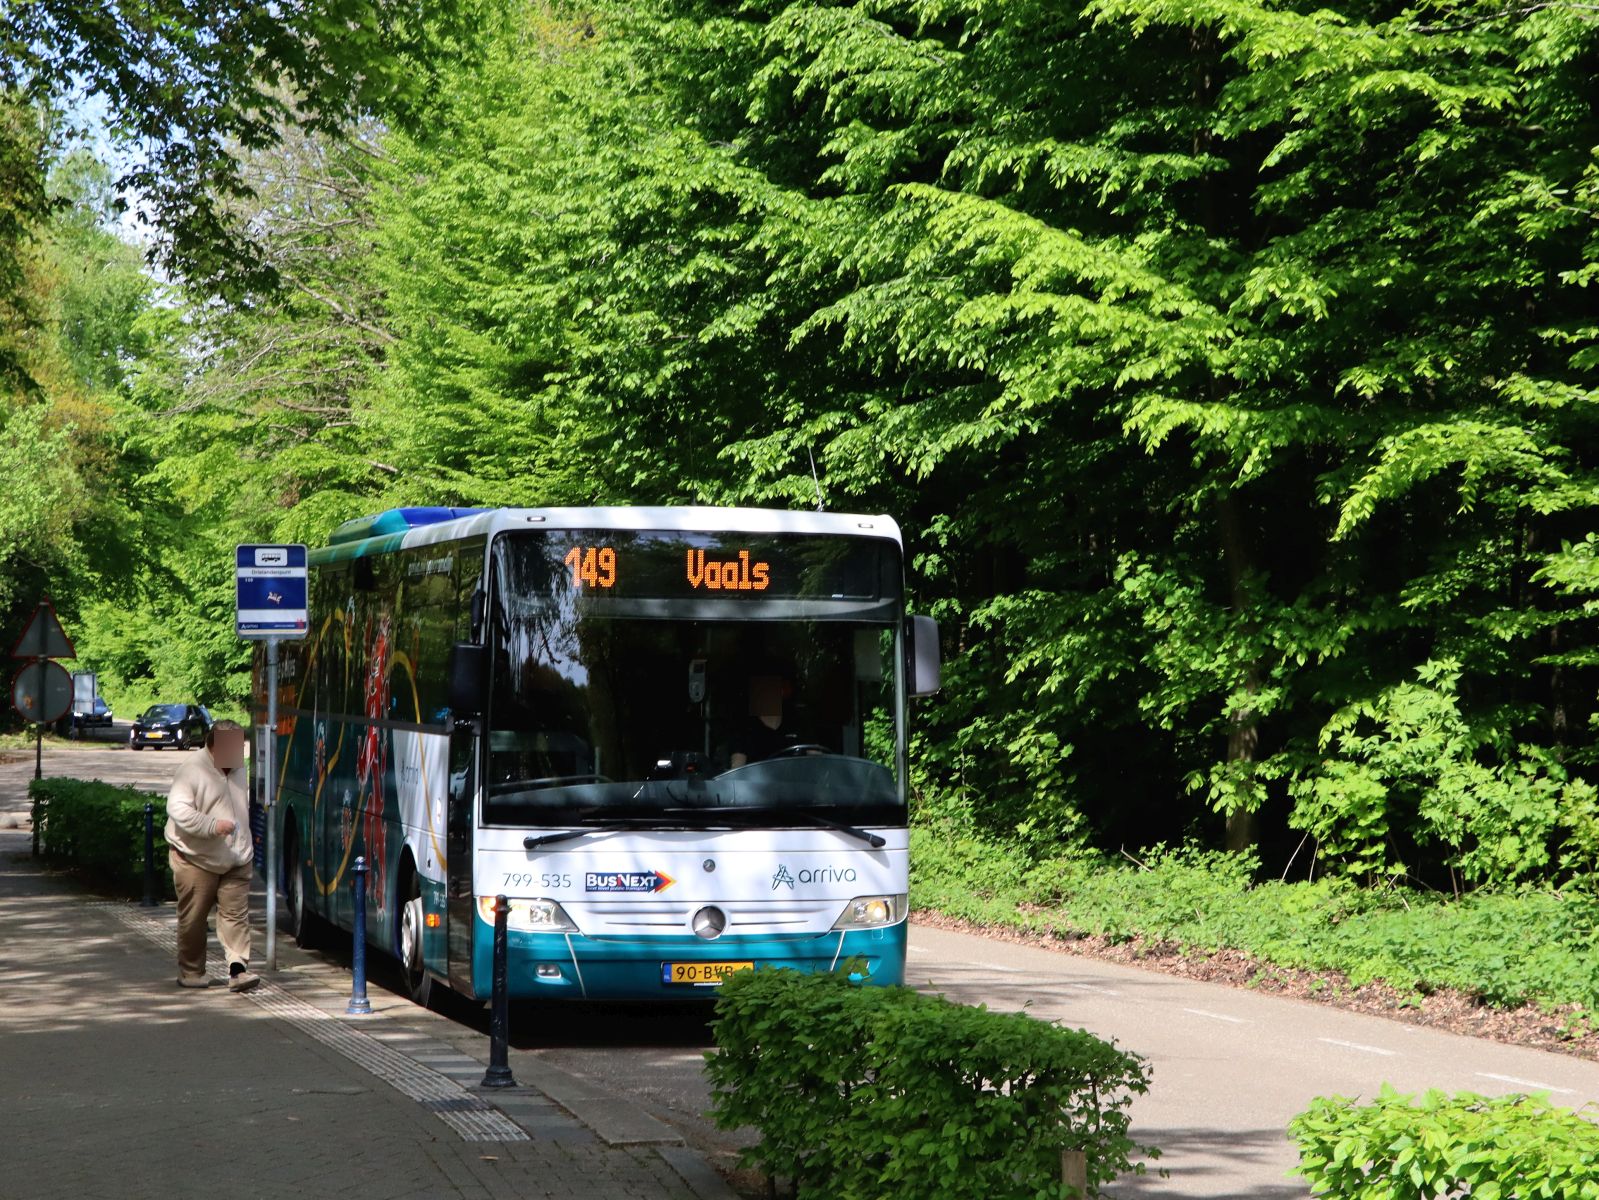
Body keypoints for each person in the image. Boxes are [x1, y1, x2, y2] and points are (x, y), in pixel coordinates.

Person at [165, 718, 260, 992]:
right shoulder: (191, 770)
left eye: (239, 748)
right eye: (230, 750)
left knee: (236, 916)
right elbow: (177, 810)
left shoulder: (237, 765)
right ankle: (192, 972)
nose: (236, 757)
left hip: (236, 857)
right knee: (194, 918)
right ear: (212, 747)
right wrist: (212, 826)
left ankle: (238, 970)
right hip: (195, 857)